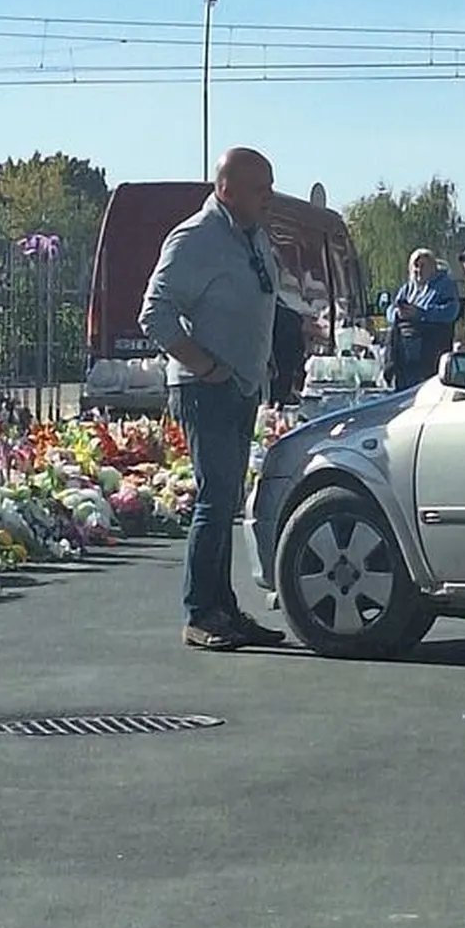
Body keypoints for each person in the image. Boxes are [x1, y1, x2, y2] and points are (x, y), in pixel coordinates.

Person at [138, 146, 285, 651]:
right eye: (259, 188)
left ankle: (223, 610)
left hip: (240, 386)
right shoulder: (196, 238)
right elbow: (154, 313)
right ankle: (200, 613)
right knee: (213, 500)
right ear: (226, 189)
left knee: (224, 503)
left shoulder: (252, 237)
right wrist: (205, 364)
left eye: (270, 186)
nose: (269, 197)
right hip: (207, 388)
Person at [383, 247, 462, 389]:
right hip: (404, 357)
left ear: (433, 267)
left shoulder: (445, 285)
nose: (418, 270)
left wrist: (420, 313)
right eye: (415, 266)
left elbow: (451, 311)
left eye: (423, 266)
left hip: (430, 354)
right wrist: (397, 313)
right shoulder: (408, 288)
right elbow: (390, 311)